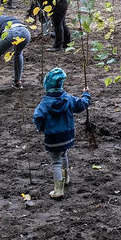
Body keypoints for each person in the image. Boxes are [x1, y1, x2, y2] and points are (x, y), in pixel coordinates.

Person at [33, 68, 92, 199]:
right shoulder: (69, 99)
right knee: (64, 154)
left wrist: (41, 128)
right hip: (67, 136)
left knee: (56, 162)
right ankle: (66, 178)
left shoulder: (44, 104)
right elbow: (83, 104)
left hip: (53, 138)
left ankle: (58, 189)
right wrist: (86, 94)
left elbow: (38, 117)